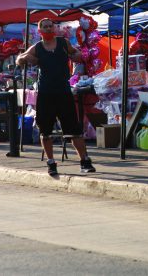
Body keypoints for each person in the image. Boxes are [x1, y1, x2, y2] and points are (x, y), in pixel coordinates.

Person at [16, 18, 96, 176]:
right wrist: (24, 59)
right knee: (45, 131)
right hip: (46, 94)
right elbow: (20, 59)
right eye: (44, 27)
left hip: (64, 92)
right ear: (40, 31)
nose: (47, 29)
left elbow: (76, 54)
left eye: (49, 26)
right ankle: (51, 163)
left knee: (74, 130)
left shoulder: (63, 43)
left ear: (54, 28)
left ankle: (84, 161)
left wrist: (78, 56)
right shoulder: (37, 47)